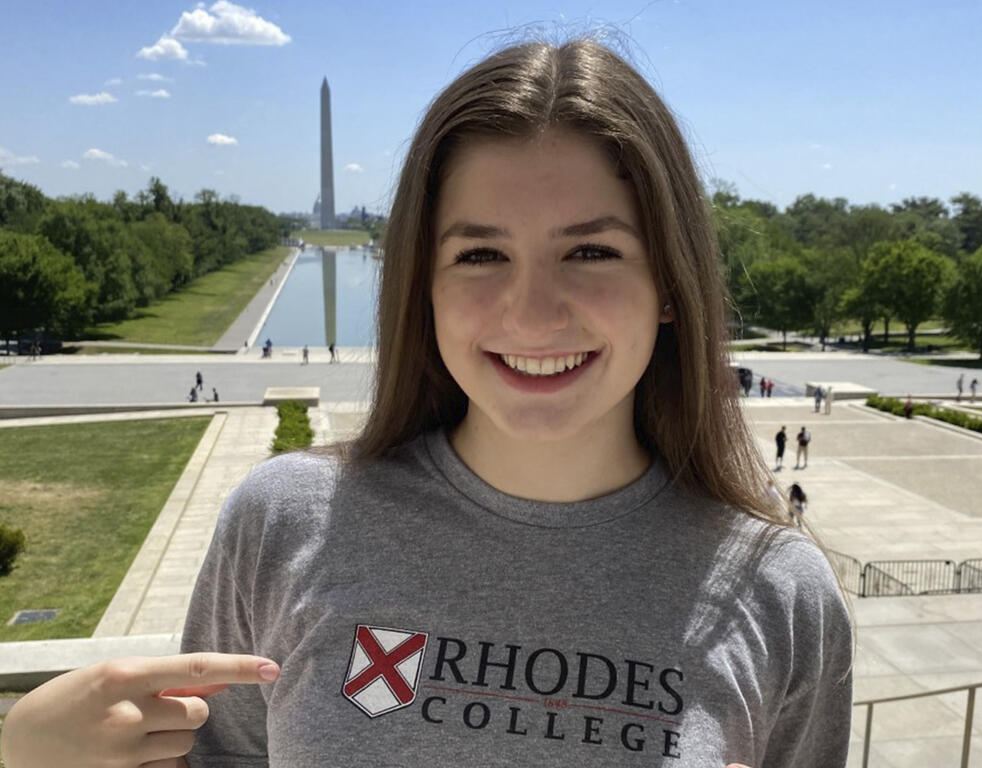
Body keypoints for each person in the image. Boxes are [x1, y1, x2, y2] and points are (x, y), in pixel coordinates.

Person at [1, 39, 852, 768]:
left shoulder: (781, 594)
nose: (533, 310)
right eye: (481, 255)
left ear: (669, 282)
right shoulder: (283, 523)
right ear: (424, 285)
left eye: (591, 249)